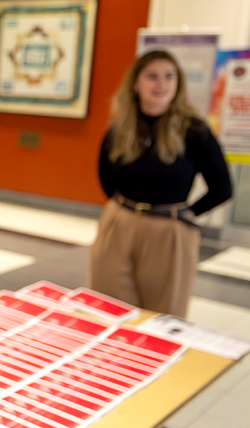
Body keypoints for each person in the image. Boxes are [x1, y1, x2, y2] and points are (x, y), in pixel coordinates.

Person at [89, 50, 232, 317]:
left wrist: (187, 214)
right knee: (107, 310)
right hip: (119, 224)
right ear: (136, 84)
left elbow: (222, 188)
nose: (161, 84)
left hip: (169, 231)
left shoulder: (195, 131)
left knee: (163, 316)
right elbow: (106, 177)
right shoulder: (120, 130)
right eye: (152, 77)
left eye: (169, 77)